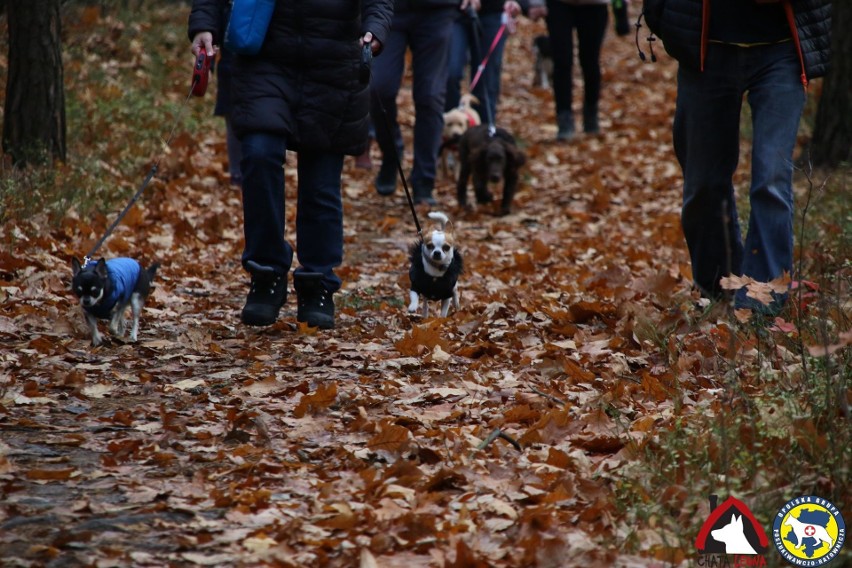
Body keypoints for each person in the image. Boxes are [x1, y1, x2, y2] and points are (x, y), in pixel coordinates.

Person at [189, 0, 393, 329]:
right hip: (263, 55)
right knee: (258, 153)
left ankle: (317, 283)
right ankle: (266, 274)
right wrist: (204, 24)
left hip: (333, 62)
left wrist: (375, 29)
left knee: (321, 181)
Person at [643, 0, 832, 312]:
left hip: (781, 50)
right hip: (706, 50)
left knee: (771, 178)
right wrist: (666, 19)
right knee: (703, 185)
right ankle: (718, 291)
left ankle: (762, 301)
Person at [371, 0, 480, 205]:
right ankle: (391, 152)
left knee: (430, 96)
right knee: (379, 89)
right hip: (388, 8)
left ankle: (424, 180)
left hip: (438, 10)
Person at [528, 0, 610, 140]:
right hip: (559, 5)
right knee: (562, 62)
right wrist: (536, 3)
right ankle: (564, 118)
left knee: (590, 61)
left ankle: (591, 113)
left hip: (595, 5)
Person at [444, 1, 528, 126]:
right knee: (451, 73)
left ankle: (484, 131)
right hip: (455, 11)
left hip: (493, 12)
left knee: (486, 80)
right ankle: (450, 128)